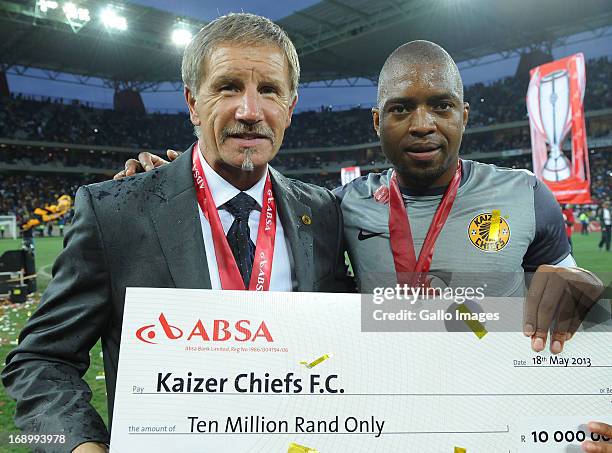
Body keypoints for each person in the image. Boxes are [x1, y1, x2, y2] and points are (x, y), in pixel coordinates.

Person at [117, 40, 610, 451]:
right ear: (377, 121)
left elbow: (573, 299)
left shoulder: (527, 195)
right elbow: (253, 196)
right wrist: (172, 184)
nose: (422, 124)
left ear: (463, 114)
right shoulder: (336, 208)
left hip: (497, 425)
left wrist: (585, 287)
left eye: (440, 105)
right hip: (385, 425)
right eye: (401, 109)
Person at [2, 13, 351, 453]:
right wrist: (80, 446)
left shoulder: (321, 212)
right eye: (227, 87)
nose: (249, 111)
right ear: (192, 102)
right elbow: (40, 359)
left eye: (268, 90)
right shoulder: (117, 211)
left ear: (290, 106)